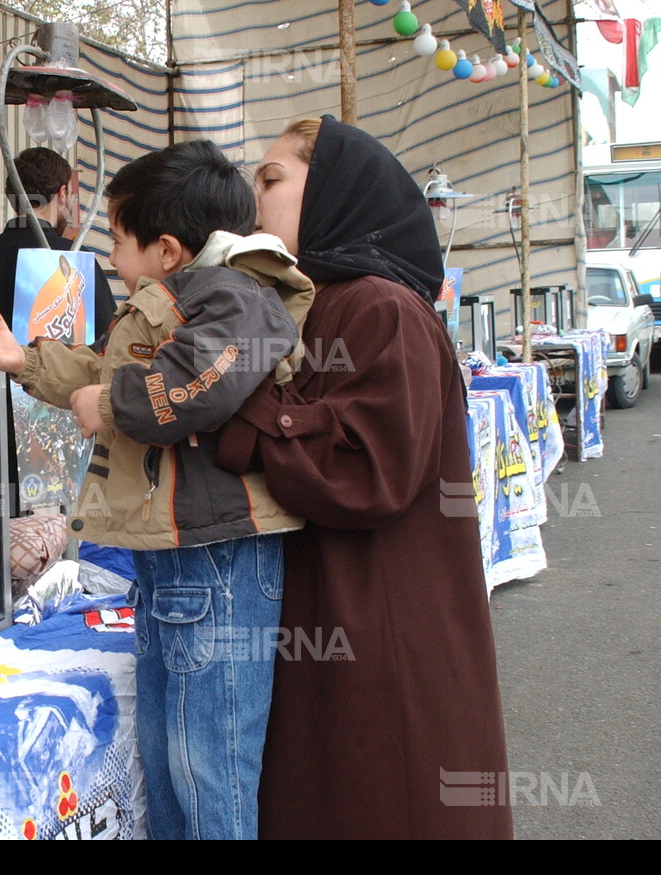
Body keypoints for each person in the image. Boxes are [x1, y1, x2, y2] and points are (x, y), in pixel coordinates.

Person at [0, 139, 315, 840]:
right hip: (174, 558)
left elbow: (194, 388)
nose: (109, 257)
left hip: (218, 559)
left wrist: (111, 406)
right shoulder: (176, 300)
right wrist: (22, 358)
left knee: (209, 767)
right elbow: (104, 365)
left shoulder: (238, 298)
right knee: (168, 755)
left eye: (117, 240)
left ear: (168, 248)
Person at [215, 116, 512, 839]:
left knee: (383, 796)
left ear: (336, 189)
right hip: (335, 616)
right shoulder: (312, 302)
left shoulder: (380, 306)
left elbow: (365, 468)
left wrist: (239, 405)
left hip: (380, 629)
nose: (254, 197)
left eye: (273, 178)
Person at [0, 146, 116, 339]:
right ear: (62, 193)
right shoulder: (76, 260)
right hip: (62, 368)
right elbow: (108, 336)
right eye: (71, 195)